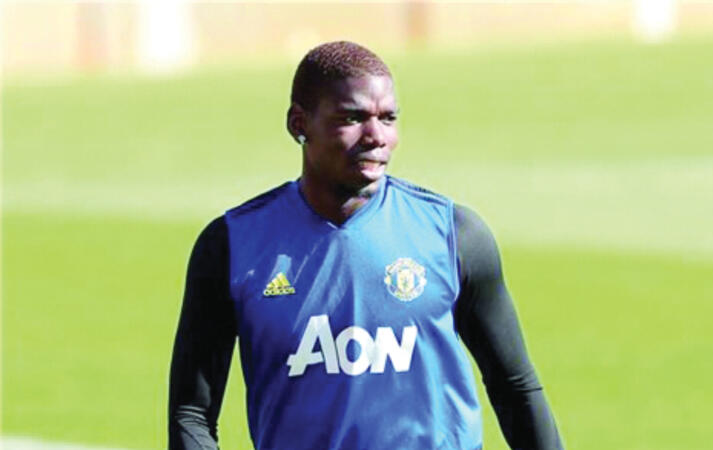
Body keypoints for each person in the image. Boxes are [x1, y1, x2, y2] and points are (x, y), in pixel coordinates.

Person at [168, 41, 563, 450]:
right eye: (352, 118)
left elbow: (514, 386)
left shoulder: (454, 235)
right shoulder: (233, 246)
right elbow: (191, 414)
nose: (376, 136)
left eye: (388, 118)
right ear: (299, 123)